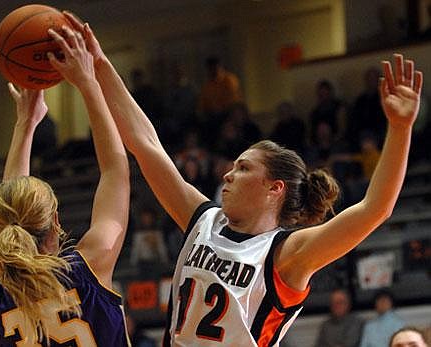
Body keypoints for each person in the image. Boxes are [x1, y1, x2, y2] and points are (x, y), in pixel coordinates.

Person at [63, 13, 422, 346]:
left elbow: (375, 208)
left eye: (244, 168)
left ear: (273, 188)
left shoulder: (286, 255)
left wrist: (400, 128)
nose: (228, 174)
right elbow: (146, 145)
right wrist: (101, 64)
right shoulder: (203, 220)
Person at [0, 27, 131, 346]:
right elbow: (114, 169)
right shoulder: (91, 264)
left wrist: (25, 123)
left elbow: (115, 171)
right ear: (56, 222)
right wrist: (88, 83)